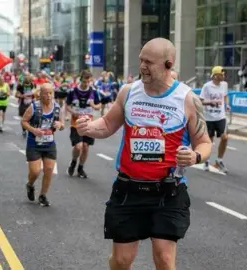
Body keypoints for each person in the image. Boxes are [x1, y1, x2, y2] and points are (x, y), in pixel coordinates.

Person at [76, 38, 212, 270]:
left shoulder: (188, 99)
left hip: (167, 192)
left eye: (149, 62)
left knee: (164, 259)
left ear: (168, 64)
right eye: (141, 60)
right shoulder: (129, 92)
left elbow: (204, 142)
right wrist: (88, 127)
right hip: (129, 190)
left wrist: (195, 157)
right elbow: (108, 124)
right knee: (121, 261)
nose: (142, 67)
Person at [22, 83, 64, 206]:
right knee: (35, 172)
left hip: (49, 143)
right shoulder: (34, 107)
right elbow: (24, 121)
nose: (49, 96)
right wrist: (34, 130)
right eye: (46, 93)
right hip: (34, 143)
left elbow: (62, 124)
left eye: (51, 93)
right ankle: (30, 185)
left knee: (49, 169)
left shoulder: (57, 108)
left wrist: (60, 125)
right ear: (40, 94)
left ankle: (43, 195)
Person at [65, 71, 101, 178]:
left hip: (88, 123)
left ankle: (80, 168)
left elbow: (99, 105)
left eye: (88, 81)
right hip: (76, 123)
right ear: (80, 80)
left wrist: (94, 105)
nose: (86, 84)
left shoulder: (93, 91)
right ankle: (73, 162)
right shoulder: (73, 91)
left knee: (85, 147)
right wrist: (72, 112)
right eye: (85, 81)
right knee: (78, 146)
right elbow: (67, 105)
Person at [200, 66, 230, 173]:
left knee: (225, 137)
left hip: (220, 117)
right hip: (209, 118)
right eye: (222, 74)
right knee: (210, 140)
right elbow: (201, 100)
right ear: (216, 75)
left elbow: (225, 96)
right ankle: (206, 161)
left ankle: (219, 160)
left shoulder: (224, 85)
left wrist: (227, 104)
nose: (224, 76)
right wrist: (211, 102)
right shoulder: (207, 86)